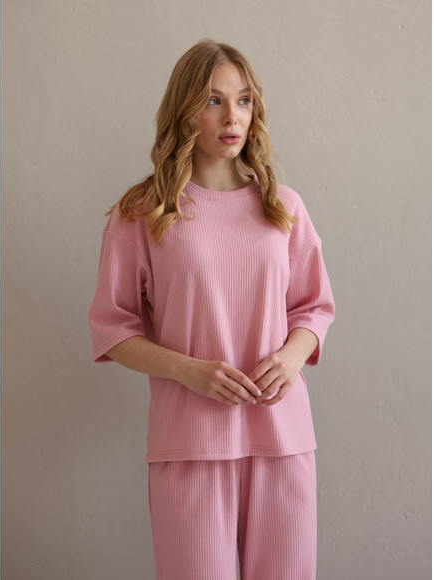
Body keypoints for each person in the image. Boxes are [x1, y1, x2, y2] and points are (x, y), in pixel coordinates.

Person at [88, 39, 335, 580]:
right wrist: (188, 371)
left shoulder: (283, 207)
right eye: (213, 101)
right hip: (189, 441)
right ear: (185, 111)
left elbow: (314, 308)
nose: (232, 117)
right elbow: (112, 327)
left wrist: (291, 358)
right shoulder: (144, 212)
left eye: (243, 100)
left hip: (282, 435)